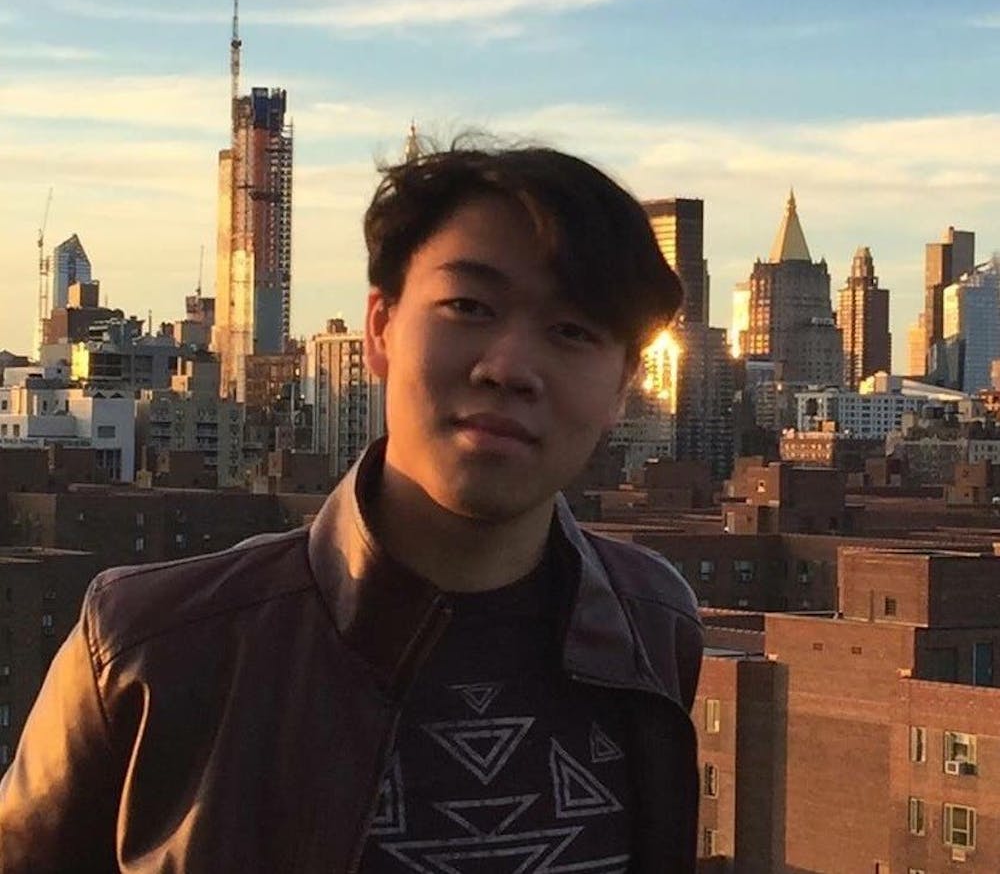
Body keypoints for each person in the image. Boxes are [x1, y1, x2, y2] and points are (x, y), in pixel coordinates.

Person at [0, 142, 703, 872]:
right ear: (380, 328)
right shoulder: (149, 651)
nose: (508, 368)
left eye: (573, 331)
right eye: (468, 306)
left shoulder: (650, 625)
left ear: (623, 385)